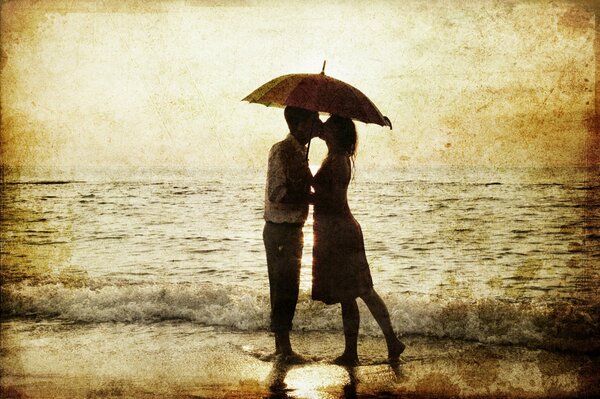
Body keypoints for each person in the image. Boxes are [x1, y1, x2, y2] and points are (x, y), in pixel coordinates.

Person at [311, 115, 405, 366]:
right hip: (337, 231)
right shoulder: (334, 158)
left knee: (362, 290)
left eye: (328, 125)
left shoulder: (338, 161)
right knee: (349, 294)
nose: (324, 128)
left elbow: (332, 201)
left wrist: (305, 193)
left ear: (337, 133)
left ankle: (390, 341)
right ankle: (353, 351)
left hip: (340, 233)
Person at [263, 105, 322, 363]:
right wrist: (309, 198)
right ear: (299, 124)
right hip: (280, 228)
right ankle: (283, 347)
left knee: (289, 286)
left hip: (291, 228)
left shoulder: (298, 153)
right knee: (283, 287)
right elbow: (276, 193)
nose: (316, 125)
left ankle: (282, 346)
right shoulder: (282, 150)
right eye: (313, 121)